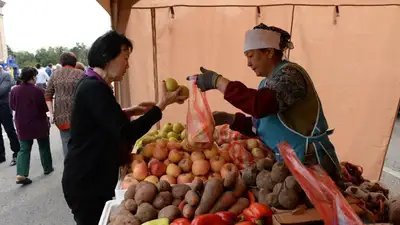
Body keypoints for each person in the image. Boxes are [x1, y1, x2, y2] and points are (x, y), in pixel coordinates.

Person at [62, 30, 187, 225]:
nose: (128, 65)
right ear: (107, 56)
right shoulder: (93, 88)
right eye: (125, 58)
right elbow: (127, 133)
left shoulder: (94, 84)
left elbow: (101, 119)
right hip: (87, 181)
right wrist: (161, 106)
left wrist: (129, 111)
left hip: (90, 176)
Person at [191, 23, 341, 181]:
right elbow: (263, 125)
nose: (248, 63)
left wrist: (218, 81)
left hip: (311, 163)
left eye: (251, 56)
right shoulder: (266, 84)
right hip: (289, 165)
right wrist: (231, 119)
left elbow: (259, 105)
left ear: (269, 52)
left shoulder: (290, 75)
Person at [9, 67, 54, 185]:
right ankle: (47, 167)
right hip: (38, 122)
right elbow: (45, 107)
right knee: (44, 146)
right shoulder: (39, 91)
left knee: (24, 149)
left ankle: (21, 173)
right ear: (33, 77)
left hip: (22, 122)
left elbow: (12, 106)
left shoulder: (14, 90)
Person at [45, 52, 85, 157]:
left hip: (61, 117)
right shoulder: (80, 74)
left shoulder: (55, 74)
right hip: (79, 116)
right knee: (80, 144)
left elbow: (48, 95)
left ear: (61, 62)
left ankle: (69, 168)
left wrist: (51, 113)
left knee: (66, 145)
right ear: (74, 61)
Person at [0, 65, 20, 166]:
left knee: (10, 131)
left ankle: (16, 153)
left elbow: (2, 90)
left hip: (3, 107)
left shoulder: (6, 75)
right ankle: (1, 155)